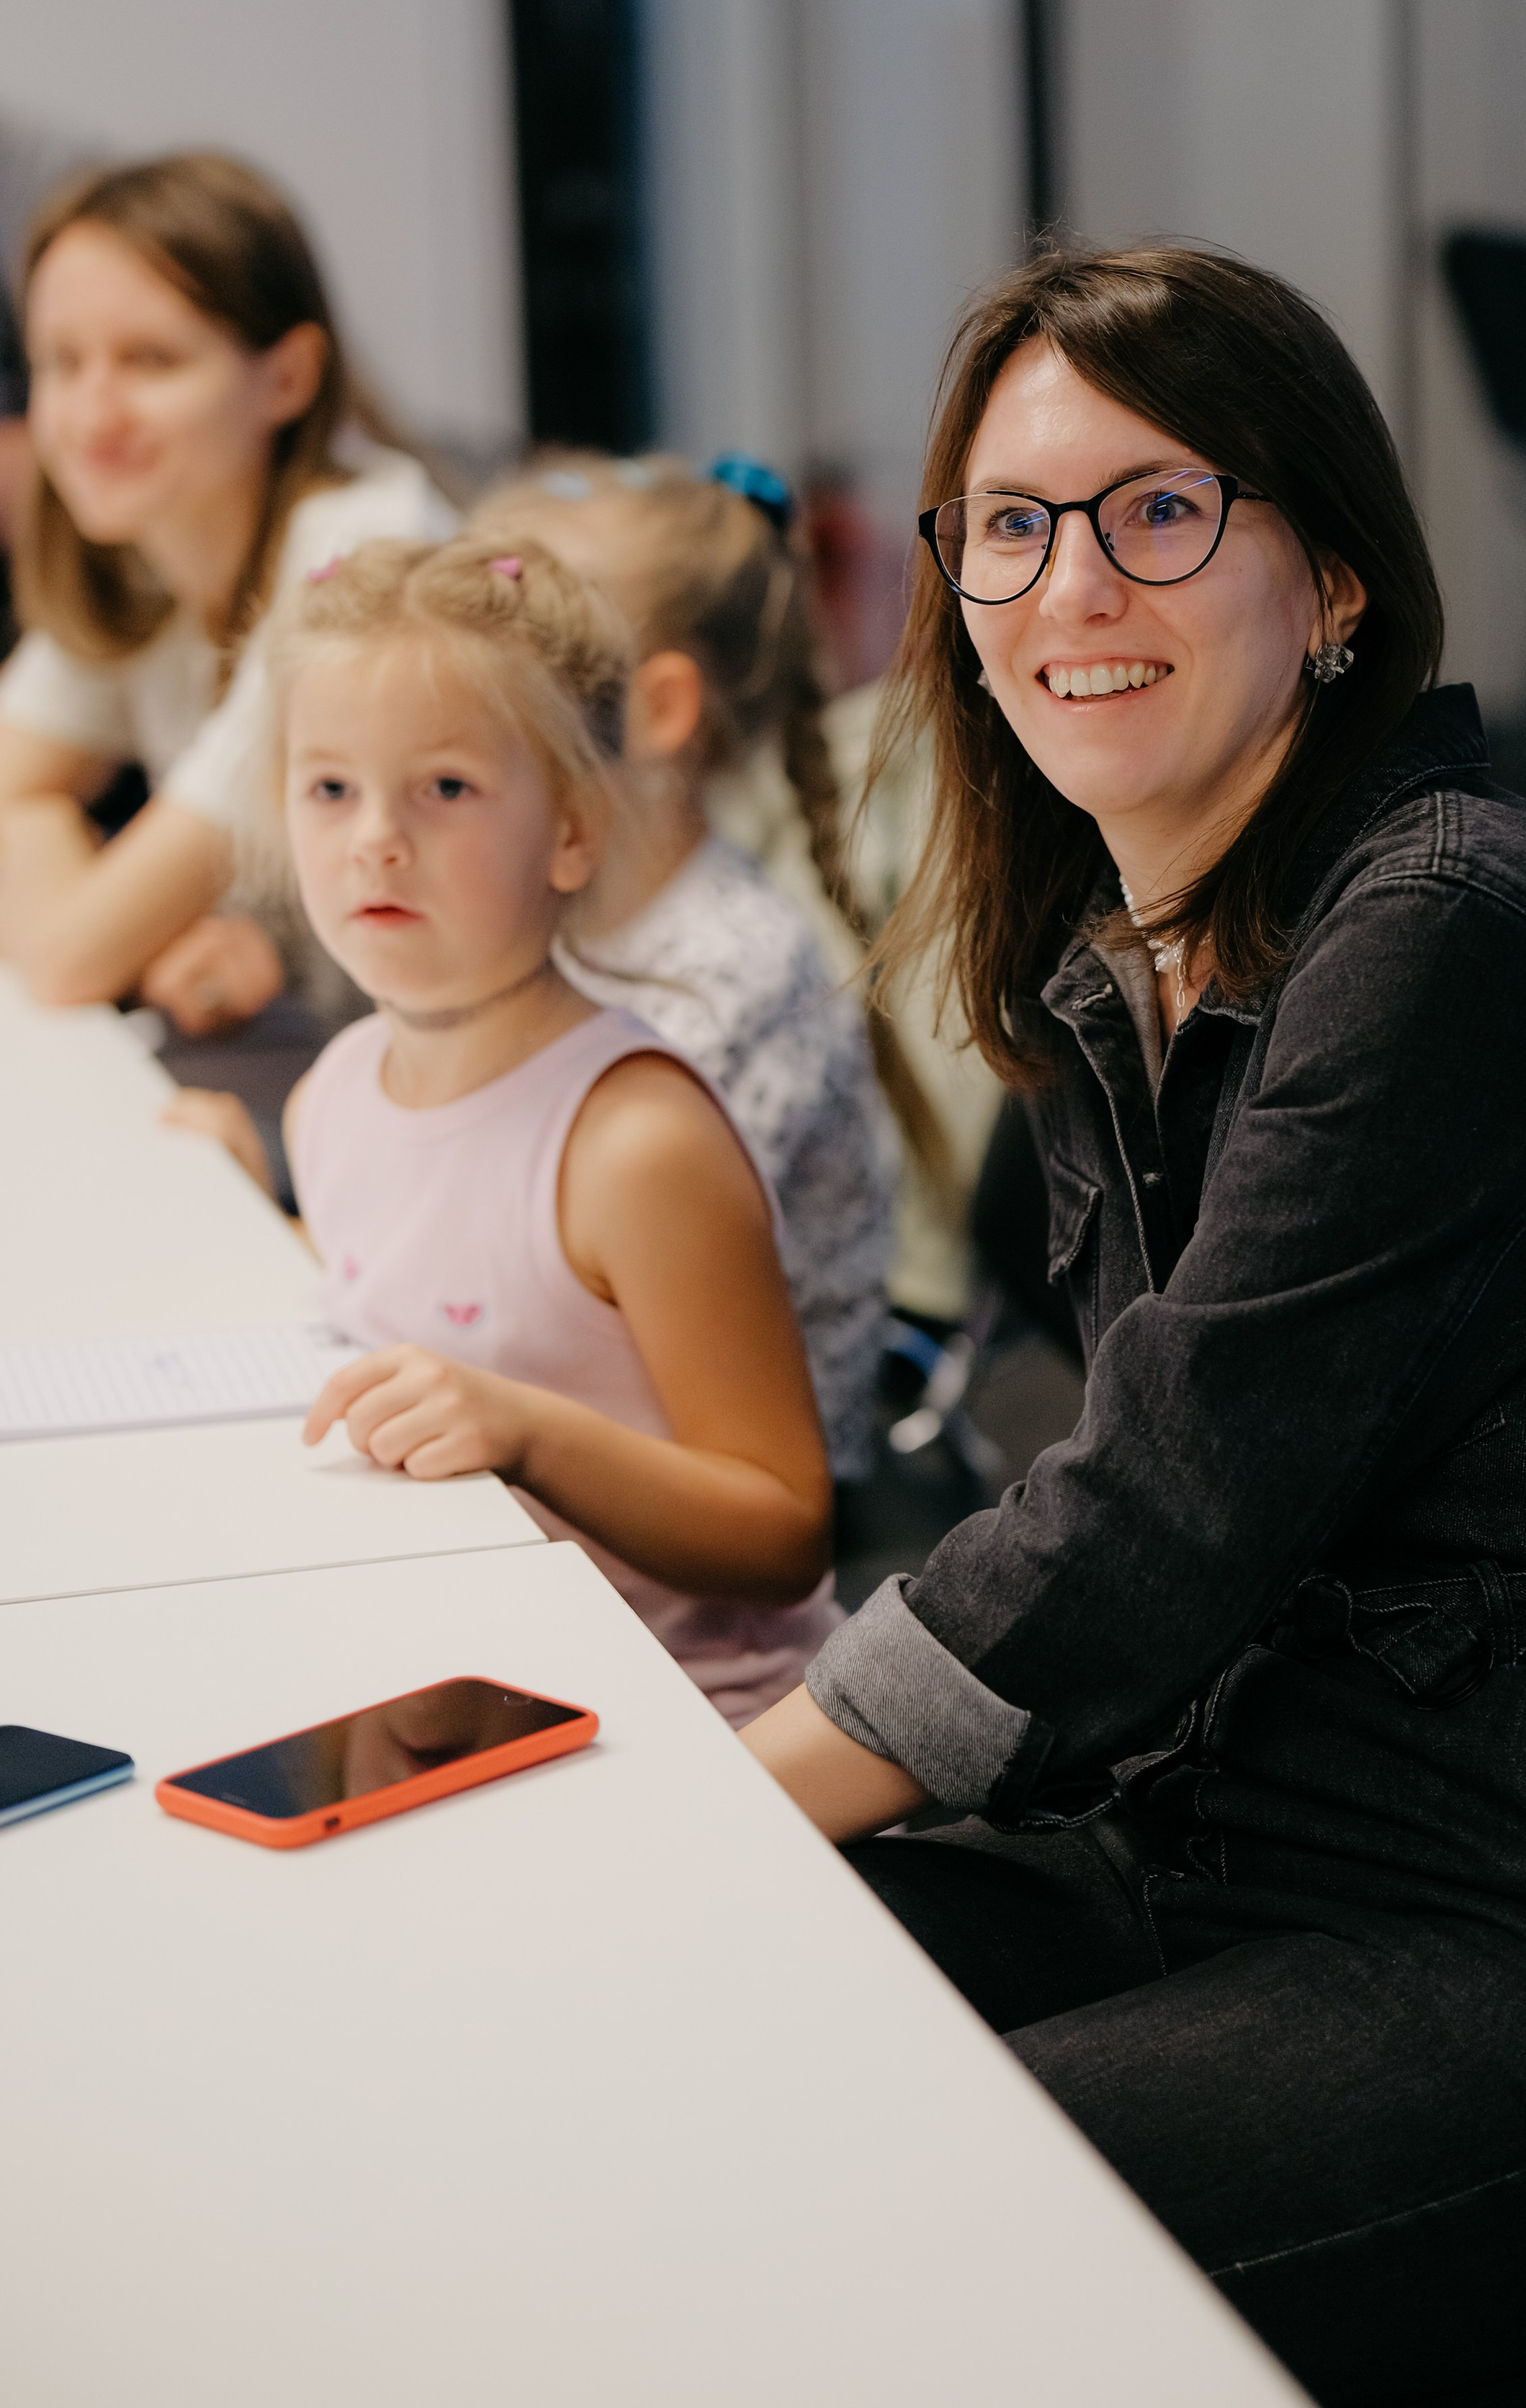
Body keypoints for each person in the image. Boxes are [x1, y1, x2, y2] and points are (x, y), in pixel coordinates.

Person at [742, 243, 1526, 2403]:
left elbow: (1150, 1516)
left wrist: (737, 1786)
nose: (1071, 584)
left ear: (1331, 579)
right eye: (1010, 525)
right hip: (1233, 1831)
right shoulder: (1112, 952)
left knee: (900, 2234)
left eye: (1159, 508)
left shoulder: (1447, 927)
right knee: (684, 2018)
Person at [168, 529, 838, 1726]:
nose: (375, 838)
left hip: (676, 1720)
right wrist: (252, 1205)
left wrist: (526, 1432)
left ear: (573, 829)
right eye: (331, 789)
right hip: (459, 1667)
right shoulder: (333, 1092)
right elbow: (418, 1289)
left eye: (445, 789)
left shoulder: (634, 1145)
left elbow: (783, 1531)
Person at [470, 452, 900, 1494]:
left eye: (508, 658)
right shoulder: (546, 919)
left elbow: (564, 1276)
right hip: (567, 1413)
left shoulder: (734, 977)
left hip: (713, 1490)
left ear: (656, 708)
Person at [0, 151, 452, 1026]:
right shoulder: (145, 550)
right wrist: (97, 905)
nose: (91, 416)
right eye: (60, 362)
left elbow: (66, 958)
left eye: (151, 361)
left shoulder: (364, 563)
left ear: (287, 378)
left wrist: (78, 897)